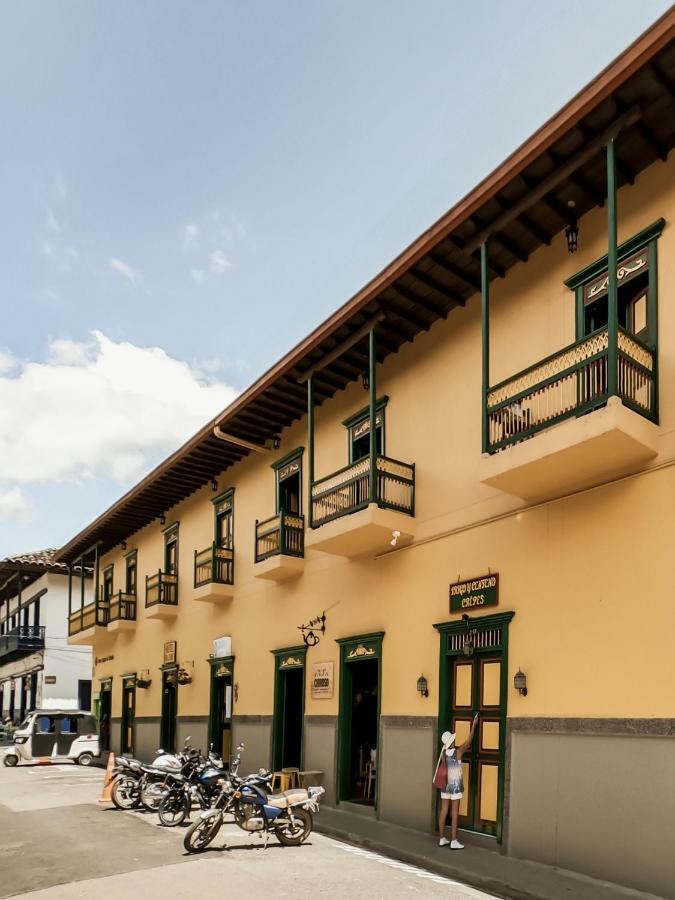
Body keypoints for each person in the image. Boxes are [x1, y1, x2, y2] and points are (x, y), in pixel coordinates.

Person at [434, 713, 478, 849]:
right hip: (455, 786)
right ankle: (454, 840)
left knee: (443, 810)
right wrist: (474, 726)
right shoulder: (457, 752)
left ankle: (442, 838)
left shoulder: (443, 754)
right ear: (451, 741)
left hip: (444, 786)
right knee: (454, 812)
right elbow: (469, 742)